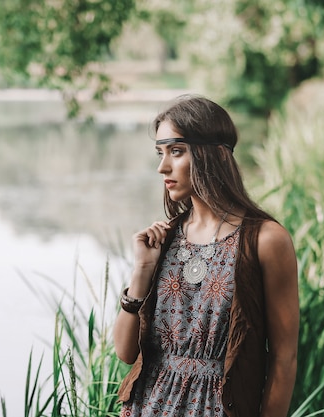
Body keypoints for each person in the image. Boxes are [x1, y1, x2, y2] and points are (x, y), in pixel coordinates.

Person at [113, 94, 299, 417]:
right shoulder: (165, 239)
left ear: (211, 155)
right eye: (160, 153)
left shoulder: (266, 240)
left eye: (176, 151)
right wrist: (142, 269)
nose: (162, 167)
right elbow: (125, 352)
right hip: (147, 407)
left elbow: (284, 358)